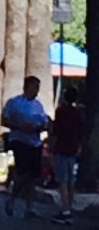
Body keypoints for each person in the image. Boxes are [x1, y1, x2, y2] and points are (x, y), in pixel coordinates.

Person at [2, 75, 51, 220]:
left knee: (33, 176)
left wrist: (42, 127)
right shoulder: (14, 103)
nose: (36, 90)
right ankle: (12, 198)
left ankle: (29, 207)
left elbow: (44, 121)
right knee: (24, 172)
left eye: (38, 87)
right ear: (26, 87)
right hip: (19, 140)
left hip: (34, 141)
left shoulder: (38, 105)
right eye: (34, 87)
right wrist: (20, 126)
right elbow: (4, 120)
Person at [50, 86, 83, 225]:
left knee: (62, 181)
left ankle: (65, 211)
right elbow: (80, 133)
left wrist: (51, 146)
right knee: (70, 181)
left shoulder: (61, 111)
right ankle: (69, 207)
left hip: (61, 148)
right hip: (73, 149)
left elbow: (56, 131)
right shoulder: (78, 113)